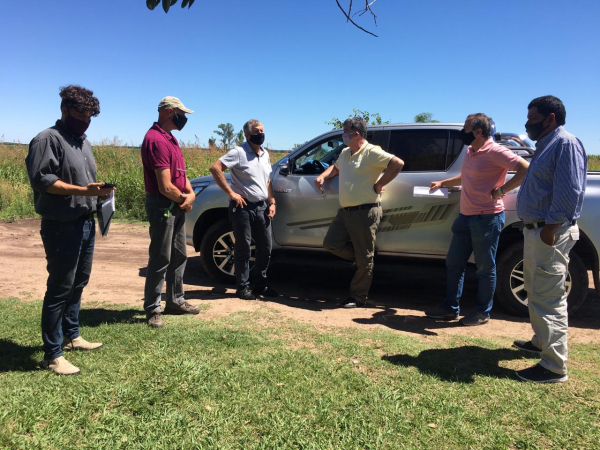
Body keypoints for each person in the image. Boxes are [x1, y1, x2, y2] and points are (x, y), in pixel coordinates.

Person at [26, 85, 114, 375]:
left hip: (86, 221)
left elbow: (84, 183)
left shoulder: (82, 142)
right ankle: (52, 354)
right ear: (64, 109)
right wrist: (83, 191)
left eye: (90, 114)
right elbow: (43, 180)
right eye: (81, 113)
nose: (86, 119)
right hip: (62, 225)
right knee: (60, 287)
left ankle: (72, 335)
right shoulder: (47, 139)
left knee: (79, 282)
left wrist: (99, 193)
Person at [425, 113, 529, 326]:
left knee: (484, 268)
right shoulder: (471, 151)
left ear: (478, 131)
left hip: (487, 218)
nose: (463, 133)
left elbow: (525, 168)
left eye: (465, 128)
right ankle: (449, 309)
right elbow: (466, 176)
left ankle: (482, 313)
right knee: (454, 263)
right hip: (465, 216)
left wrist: (502, 190)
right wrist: (443, 183)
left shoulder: (496, 151)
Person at [514, 96, 587, 383]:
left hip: (549, 232)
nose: (527, 123)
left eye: (532, 118)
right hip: (537, 230)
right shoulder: (545, 146)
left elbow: (570, 189)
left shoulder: (565, 143)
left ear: (550, 118)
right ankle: (541, 342)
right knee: (535, 290)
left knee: (549, 297)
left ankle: (554, 366)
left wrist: (551, 228)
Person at [314, 117, 404, 308]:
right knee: (331, 243)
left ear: (356, 133)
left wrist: (379, 184)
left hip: (365, 211)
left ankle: (358, 296)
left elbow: (397, 163)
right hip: (345, 211)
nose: (342, 134)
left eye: (345, 131)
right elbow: (335, 168)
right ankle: (365, 259)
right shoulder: (346, 152)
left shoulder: (372, 152)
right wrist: (322, 176)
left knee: (365, 257)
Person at [141, 96, 199, 328]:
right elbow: (164, 186)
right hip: (162, 204)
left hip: (176, 202)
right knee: (160, 257)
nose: (183, 118)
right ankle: (153, 308)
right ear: (168, 112)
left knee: (179, 254)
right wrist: (183, 199)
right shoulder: (156, 140)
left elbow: (181, 176)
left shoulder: (171, 140)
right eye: (181, 113)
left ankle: (175, 301)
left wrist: (191, 195)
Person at [209, 119, 277, 300]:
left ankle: (260, 284)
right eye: (256, 131)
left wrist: (272, 202)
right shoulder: (238, 152)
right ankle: (243, 287)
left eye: (262, 130)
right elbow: (215, 168)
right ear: (247, 135)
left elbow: (267, 180)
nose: (261, 134)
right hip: (243, 208)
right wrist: (231, 193)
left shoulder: (265, 154)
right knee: (243, 248)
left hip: (262, 207)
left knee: (265, 247)